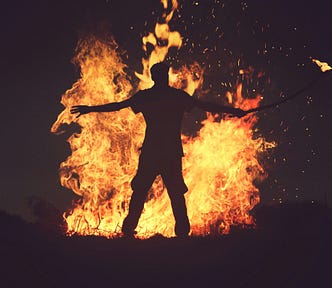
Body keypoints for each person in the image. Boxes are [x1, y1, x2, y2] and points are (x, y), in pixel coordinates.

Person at [70, 62, 248, 238]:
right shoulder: (177, 96)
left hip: (152, 152)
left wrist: (90, 109)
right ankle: (181, 233)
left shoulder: (147, 97)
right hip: (169, 152)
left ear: (154, 76)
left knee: (142, 191)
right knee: (174, 193)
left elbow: (118, 106)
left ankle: (129, 230)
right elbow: (205, 106)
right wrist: (233, 111)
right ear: (165, 75)